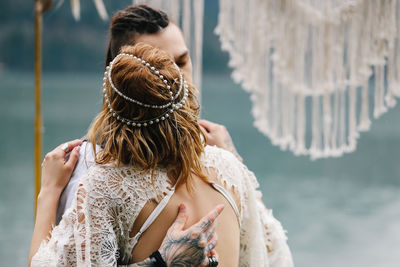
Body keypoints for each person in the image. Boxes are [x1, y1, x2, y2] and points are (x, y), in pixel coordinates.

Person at [30, 43, 293, 266]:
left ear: (113, 115)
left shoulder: (105, 187)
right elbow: (270, 251)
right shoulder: (228, 167)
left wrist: (49, 191)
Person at [56, 4, 242, 225]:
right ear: (121, 76)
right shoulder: (90, 169)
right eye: (159, 70)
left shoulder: (216, 151)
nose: (178, 80)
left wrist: (233, 163)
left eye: (181, 62)